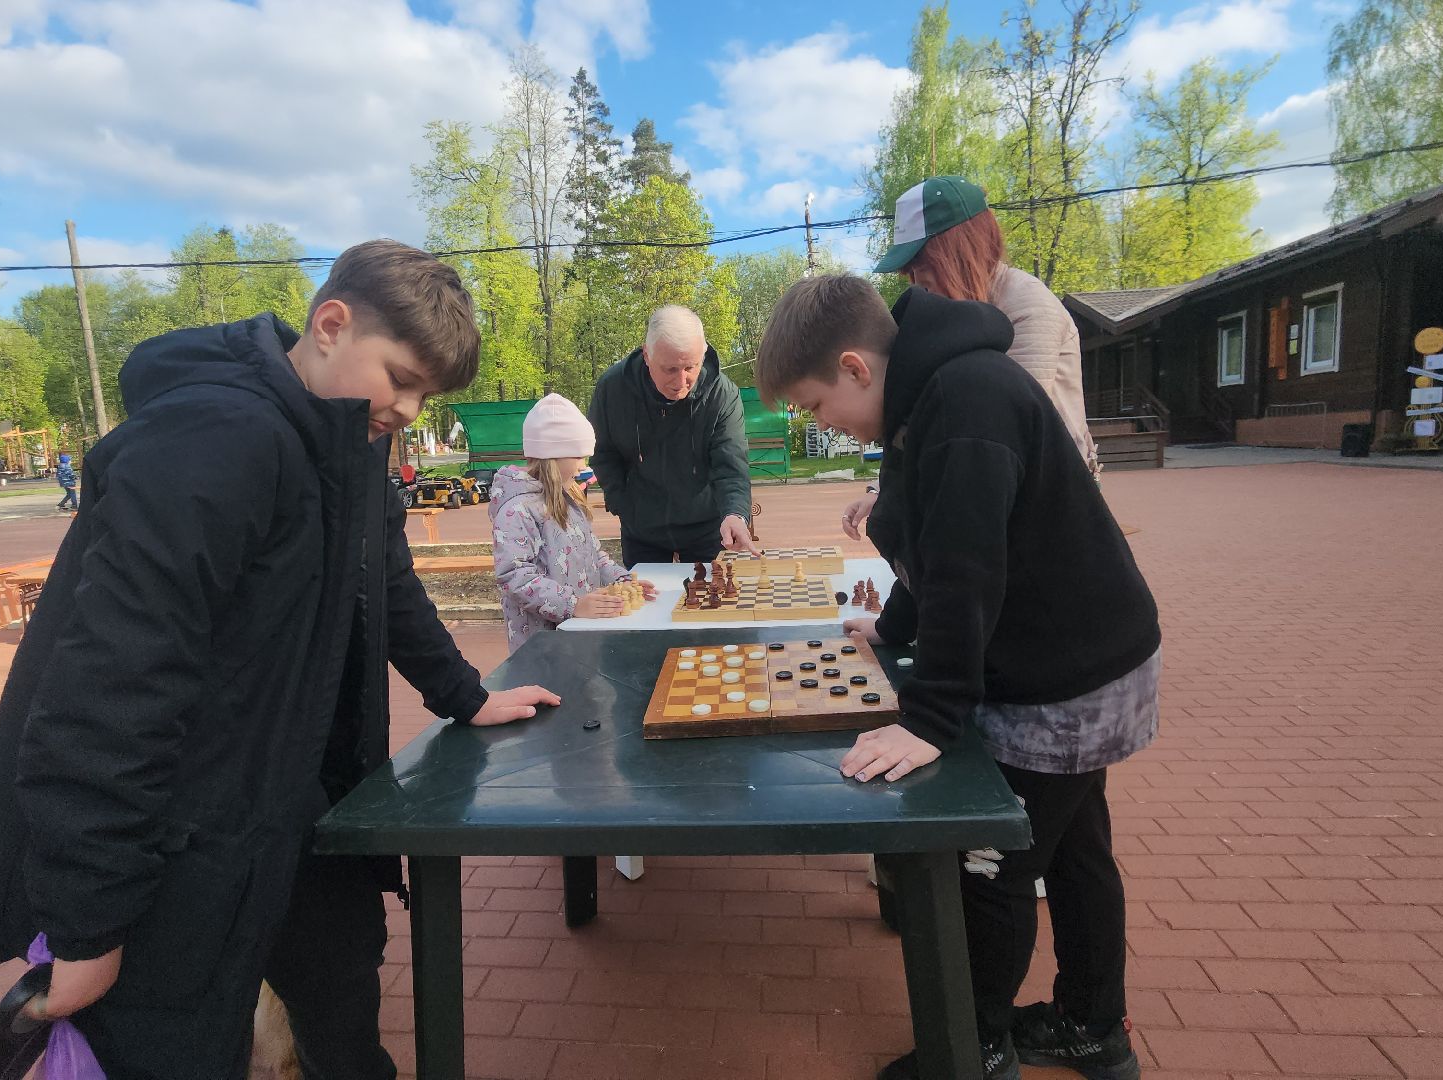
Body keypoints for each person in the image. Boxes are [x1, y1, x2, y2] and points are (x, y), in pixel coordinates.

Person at [0, 239, 560, 1080]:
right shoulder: (213, 437)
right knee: (180, 1049)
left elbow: (387, 582)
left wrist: (463, 695)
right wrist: (90, 924)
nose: (408, 409)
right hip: (182, 849)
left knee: (345, 1036)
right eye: (400, 378)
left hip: (302, 814)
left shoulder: (352, 446)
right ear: (331, 324)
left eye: (425, 394)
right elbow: (108, 688)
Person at [755, 274, 1160, 1080]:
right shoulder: (926, 399)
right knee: (1076, 848)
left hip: (1065, 680)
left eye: (812, 404)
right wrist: (896, 625)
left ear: (854, 368)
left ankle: (967, 1051)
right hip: (1086, 658)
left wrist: (928, 721)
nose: (818, 422)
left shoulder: (963, 403)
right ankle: (1091, 1026)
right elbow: (942, 549)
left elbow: (970, 568)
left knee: (990, 864)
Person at [842, 175, 1099, 542]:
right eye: (909, 272)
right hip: (1000, 501)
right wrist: (884, 492)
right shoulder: (953, 318)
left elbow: (999, 431)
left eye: (922, 265)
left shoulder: (1028, 306)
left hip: (1052, 508)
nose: (916, 284)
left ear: (958, 248)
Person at [588, 305, 755, 566]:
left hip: (707, 526)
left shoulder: (723, 395)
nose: (681, 381)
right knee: (647, 604)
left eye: (691, 367)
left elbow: (731, 465)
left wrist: (735, 513)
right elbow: (602, 451)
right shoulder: (612, 389)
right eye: (670, 370)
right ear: (646, 355)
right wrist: (623, 502)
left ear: (704, 353)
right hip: (642, 529)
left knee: (710, 603)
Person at [490, 393, 657, 649]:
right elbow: (516, 576)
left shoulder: (569, 498)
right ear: (552, 456)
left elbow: (596, 557)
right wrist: (573, 605)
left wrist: (623, 581)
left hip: (579, 632)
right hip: (543, 643)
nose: (583, 467)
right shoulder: (518, 510)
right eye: (578, 457)